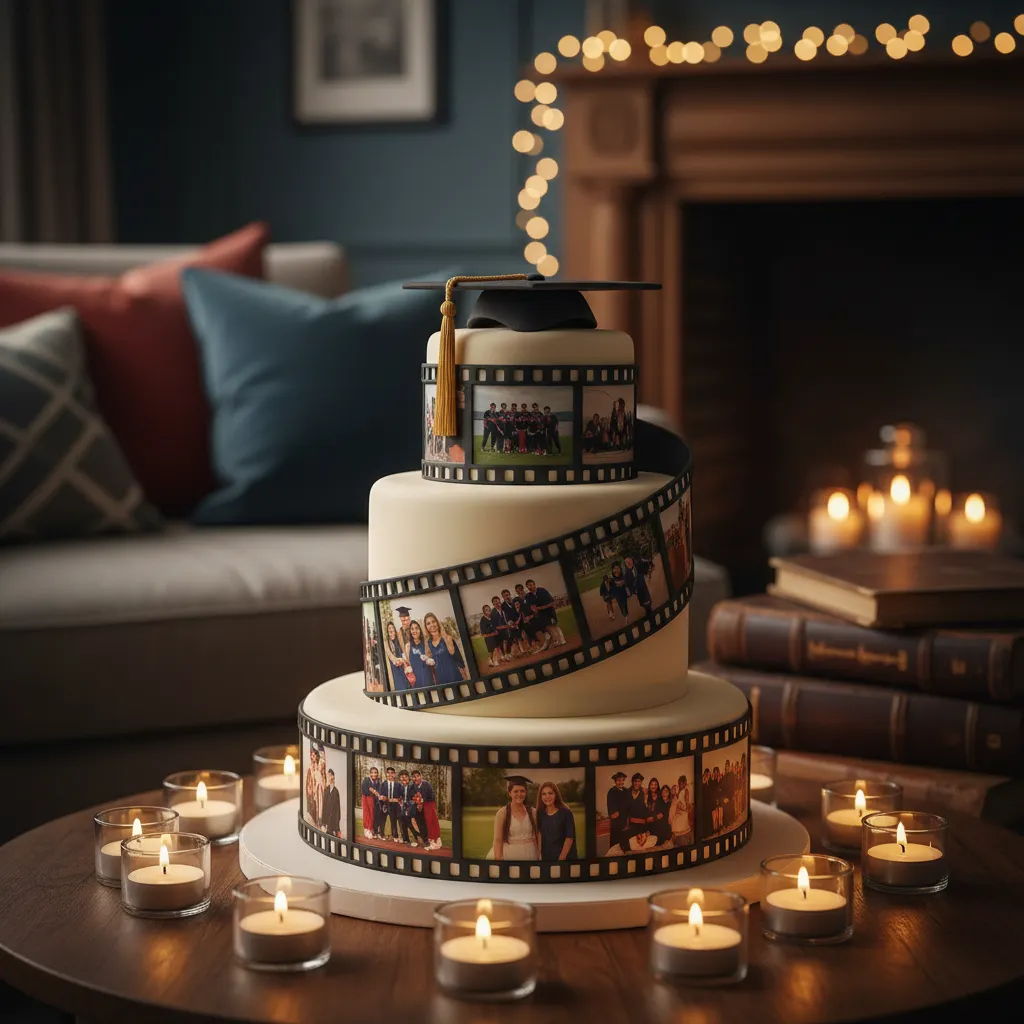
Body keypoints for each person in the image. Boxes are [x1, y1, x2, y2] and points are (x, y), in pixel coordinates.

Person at [491, 776, 538, 860]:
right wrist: (498, 861)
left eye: (522, 791)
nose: (519, 794)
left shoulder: (533, 812)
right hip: (510, 854)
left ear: (526, 792)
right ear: (510, 793)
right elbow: (498, 840)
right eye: (515, 791)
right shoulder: (502, 813)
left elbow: (537, 836)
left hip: (531, 853)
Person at [537, 781, 578, 860]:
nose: (547, 796)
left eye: (550, 793)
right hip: (547, 857)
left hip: (563, 858)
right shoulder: (540, 813)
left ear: (556, 794)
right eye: (544, 794)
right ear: (540, 797)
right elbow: (539, 834)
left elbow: (569, 838)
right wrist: (539, 854)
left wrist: (560, 860)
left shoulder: (566, 812)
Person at [424, 612, 468, 684]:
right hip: (440, 679)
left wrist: (465, 675)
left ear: (437, 622)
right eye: (428, 623)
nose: (432, 625)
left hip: (454, 676)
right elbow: (428, 660)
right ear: (426, 627)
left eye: (433, 621)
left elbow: (455, 655)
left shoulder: (447, 637)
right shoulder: (428, 643)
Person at [525, 578, 566, 648]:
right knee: (548, 627)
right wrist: (534, 609)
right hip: (541, 614)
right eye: (528, 586)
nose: (530, 587)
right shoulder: (529, 596)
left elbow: (552, 602)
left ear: (534, 585)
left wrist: (541, 608)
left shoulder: (542, 591)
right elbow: (532, 606)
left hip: (549, 611)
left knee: (554, 625)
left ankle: (562, 640)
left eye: (531, 585)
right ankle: (556, 640)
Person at [410, 769, 443, 851]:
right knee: (425, 824)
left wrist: (422, 800)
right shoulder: (413, 786)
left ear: (421, 776)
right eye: (414, 777)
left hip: (429, 806)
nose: (416, 778)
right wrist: (416, 802)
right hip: (421, 808)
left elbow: (432, 797)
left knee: (432, 823)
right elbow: (412, 797)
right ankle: (430, 842)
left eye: (417, 776)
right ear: (412, 778)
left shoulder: (427, 784)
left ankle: (435, 842)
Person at [605, 770, 630, 855]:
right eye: (619, 780)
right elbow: (610, 805)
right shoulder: (612, 791)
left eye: (622, 780)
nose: (621, 782)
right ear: (615, 781)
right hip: (616, 821)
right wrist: (614, 813)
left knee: (623, 840)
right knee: (615, 841)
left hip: (624, 819)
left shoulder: (626, 791)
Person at [405, 620, 434, 688]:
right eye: (412, 629)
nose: (414, 631)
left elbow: (432, 659)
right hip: (416, 682)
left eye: (416, 628)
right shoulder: (408, 646)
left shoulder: (426, 643)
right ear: (410, 631)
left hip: (428, 680)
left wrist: (430, 660)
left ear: (420, 630)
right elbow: (407, 664)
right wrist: (407, 668)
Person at [383, 620, 411, 691]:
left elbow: (403, 649)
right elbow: (389, 654)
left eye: (392, 628)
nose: (391, 630)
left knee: (407, 680)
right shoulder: (386, 642)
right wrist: (396, 660)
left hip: (402, 662)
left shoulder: (398, 638)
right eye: (389, 628)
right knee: (399, 684)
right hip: (395, 665)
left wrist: (404, 659)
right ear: (387, 631)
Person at [626, 772, 648, 846]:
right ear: (632, 782)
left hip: (642, 825)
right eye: (635, 781)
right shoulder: (627, 792)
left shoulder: (644, 793)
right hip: (631, 824)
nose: (637, 783)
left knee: (642, 844)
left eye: (639, 781)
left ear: (641, 782)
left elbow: (646, 809)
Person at [669, 776, 692, 847]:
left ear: (685, 783)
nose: (680, 785)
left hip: (683, 812)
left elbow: (687, 804)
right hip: (677, 812)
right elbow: (673, 797)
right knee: (676, 828)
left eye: (682, 783)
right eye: (679, 783)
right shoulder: (677, 789)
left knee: (682, 829)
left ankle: (684, 843)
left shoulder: (686, 790)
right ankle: (679, 843)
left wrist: (683, 808)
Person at [360, 766, 382, 840]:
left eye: (375, 772)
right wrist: (372, 791)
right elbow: (365, 790)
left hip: (373, 800)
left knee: (372, 814)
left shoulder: (378, 782)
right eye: (372, 772)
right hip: (366, 798)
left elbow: (378, 791)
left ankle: (371, 828)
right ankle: (367, 829)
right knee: (367, 813)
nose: (374, 774)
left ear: (377, 774)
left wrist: (374, 791)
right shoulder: (366, 780)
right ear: (370, 773)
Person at [305, 748, 324, 828]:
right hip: (313, 789)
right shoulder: (310, 767)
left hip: (319, 788)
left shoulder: (320, 765)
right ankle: (315, 820)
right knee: (315, 806)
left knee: (319, 805)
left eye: (313, 755)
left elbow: (322, 778)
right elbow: (309, 779)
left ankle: (319, 821)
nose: (312, 757)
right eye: (311, 755)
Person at [479, 602, 501, 670]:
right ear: (484, 612)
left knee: (495, 648)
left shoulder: (492, 618)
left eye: (489, 609)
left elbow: (495, 626)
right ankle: (493, 661)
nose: (488, 611)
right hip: (489, 637)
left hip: (494, 636)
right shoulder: (483, 620)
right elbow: (484, 632)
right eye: (486, 610)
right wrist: (492, 632)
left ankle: (492, 660)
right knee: (492, 650)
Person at [323, 768, 342, 836]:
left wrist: (337, 822)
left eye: (330, 775)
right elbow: (324, 806)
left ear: (333, 777)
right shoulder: (326, 790)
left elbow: (337, 808)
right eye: (328, 776)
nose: (329, 777)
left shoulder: (336, 791)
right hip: (327, 818)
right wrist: (324, 822)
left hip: (333, 819)